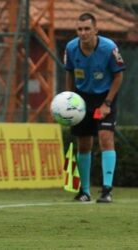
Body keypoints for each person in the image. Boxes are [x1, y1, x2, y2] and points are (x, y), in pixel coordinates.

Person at [64, 13, 125, 203]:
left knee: (105, 137)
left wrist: (107, 103)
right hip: (82, 99)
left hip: (104, 97)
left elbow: (118, 76)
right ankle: (85, 191)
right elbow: (70, 73)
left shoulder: (109, 48)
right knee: (83, 144)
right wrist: (70, 98)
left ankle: (107, 190)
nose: (83, 33)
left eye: (87, 29)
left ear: (95, 30)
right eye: (80, 29)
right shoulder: (71, 48)